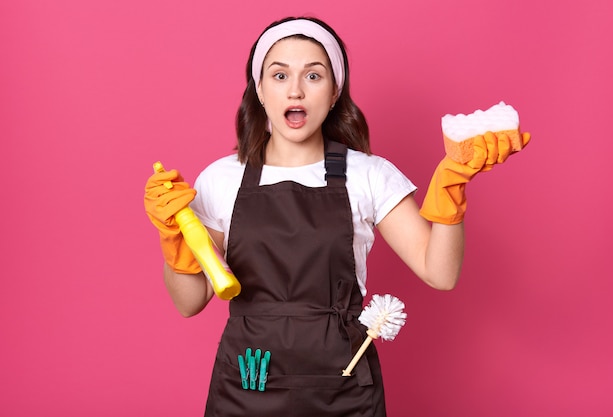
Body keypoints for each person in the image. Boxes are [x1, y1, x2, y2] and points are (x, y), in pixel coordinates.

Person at [144, 16, 530, 417]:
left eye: (314, 75)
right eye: (279, 75)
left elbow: (441, 273)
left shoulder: (368, 174)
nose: (295, 89)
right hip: (246, 385)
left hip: (343, 390)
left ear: (334, 93)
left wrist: (452, 186)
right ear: (259, 90)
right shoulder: (222, 179)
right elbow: (189, 302)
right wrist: (173, 239)